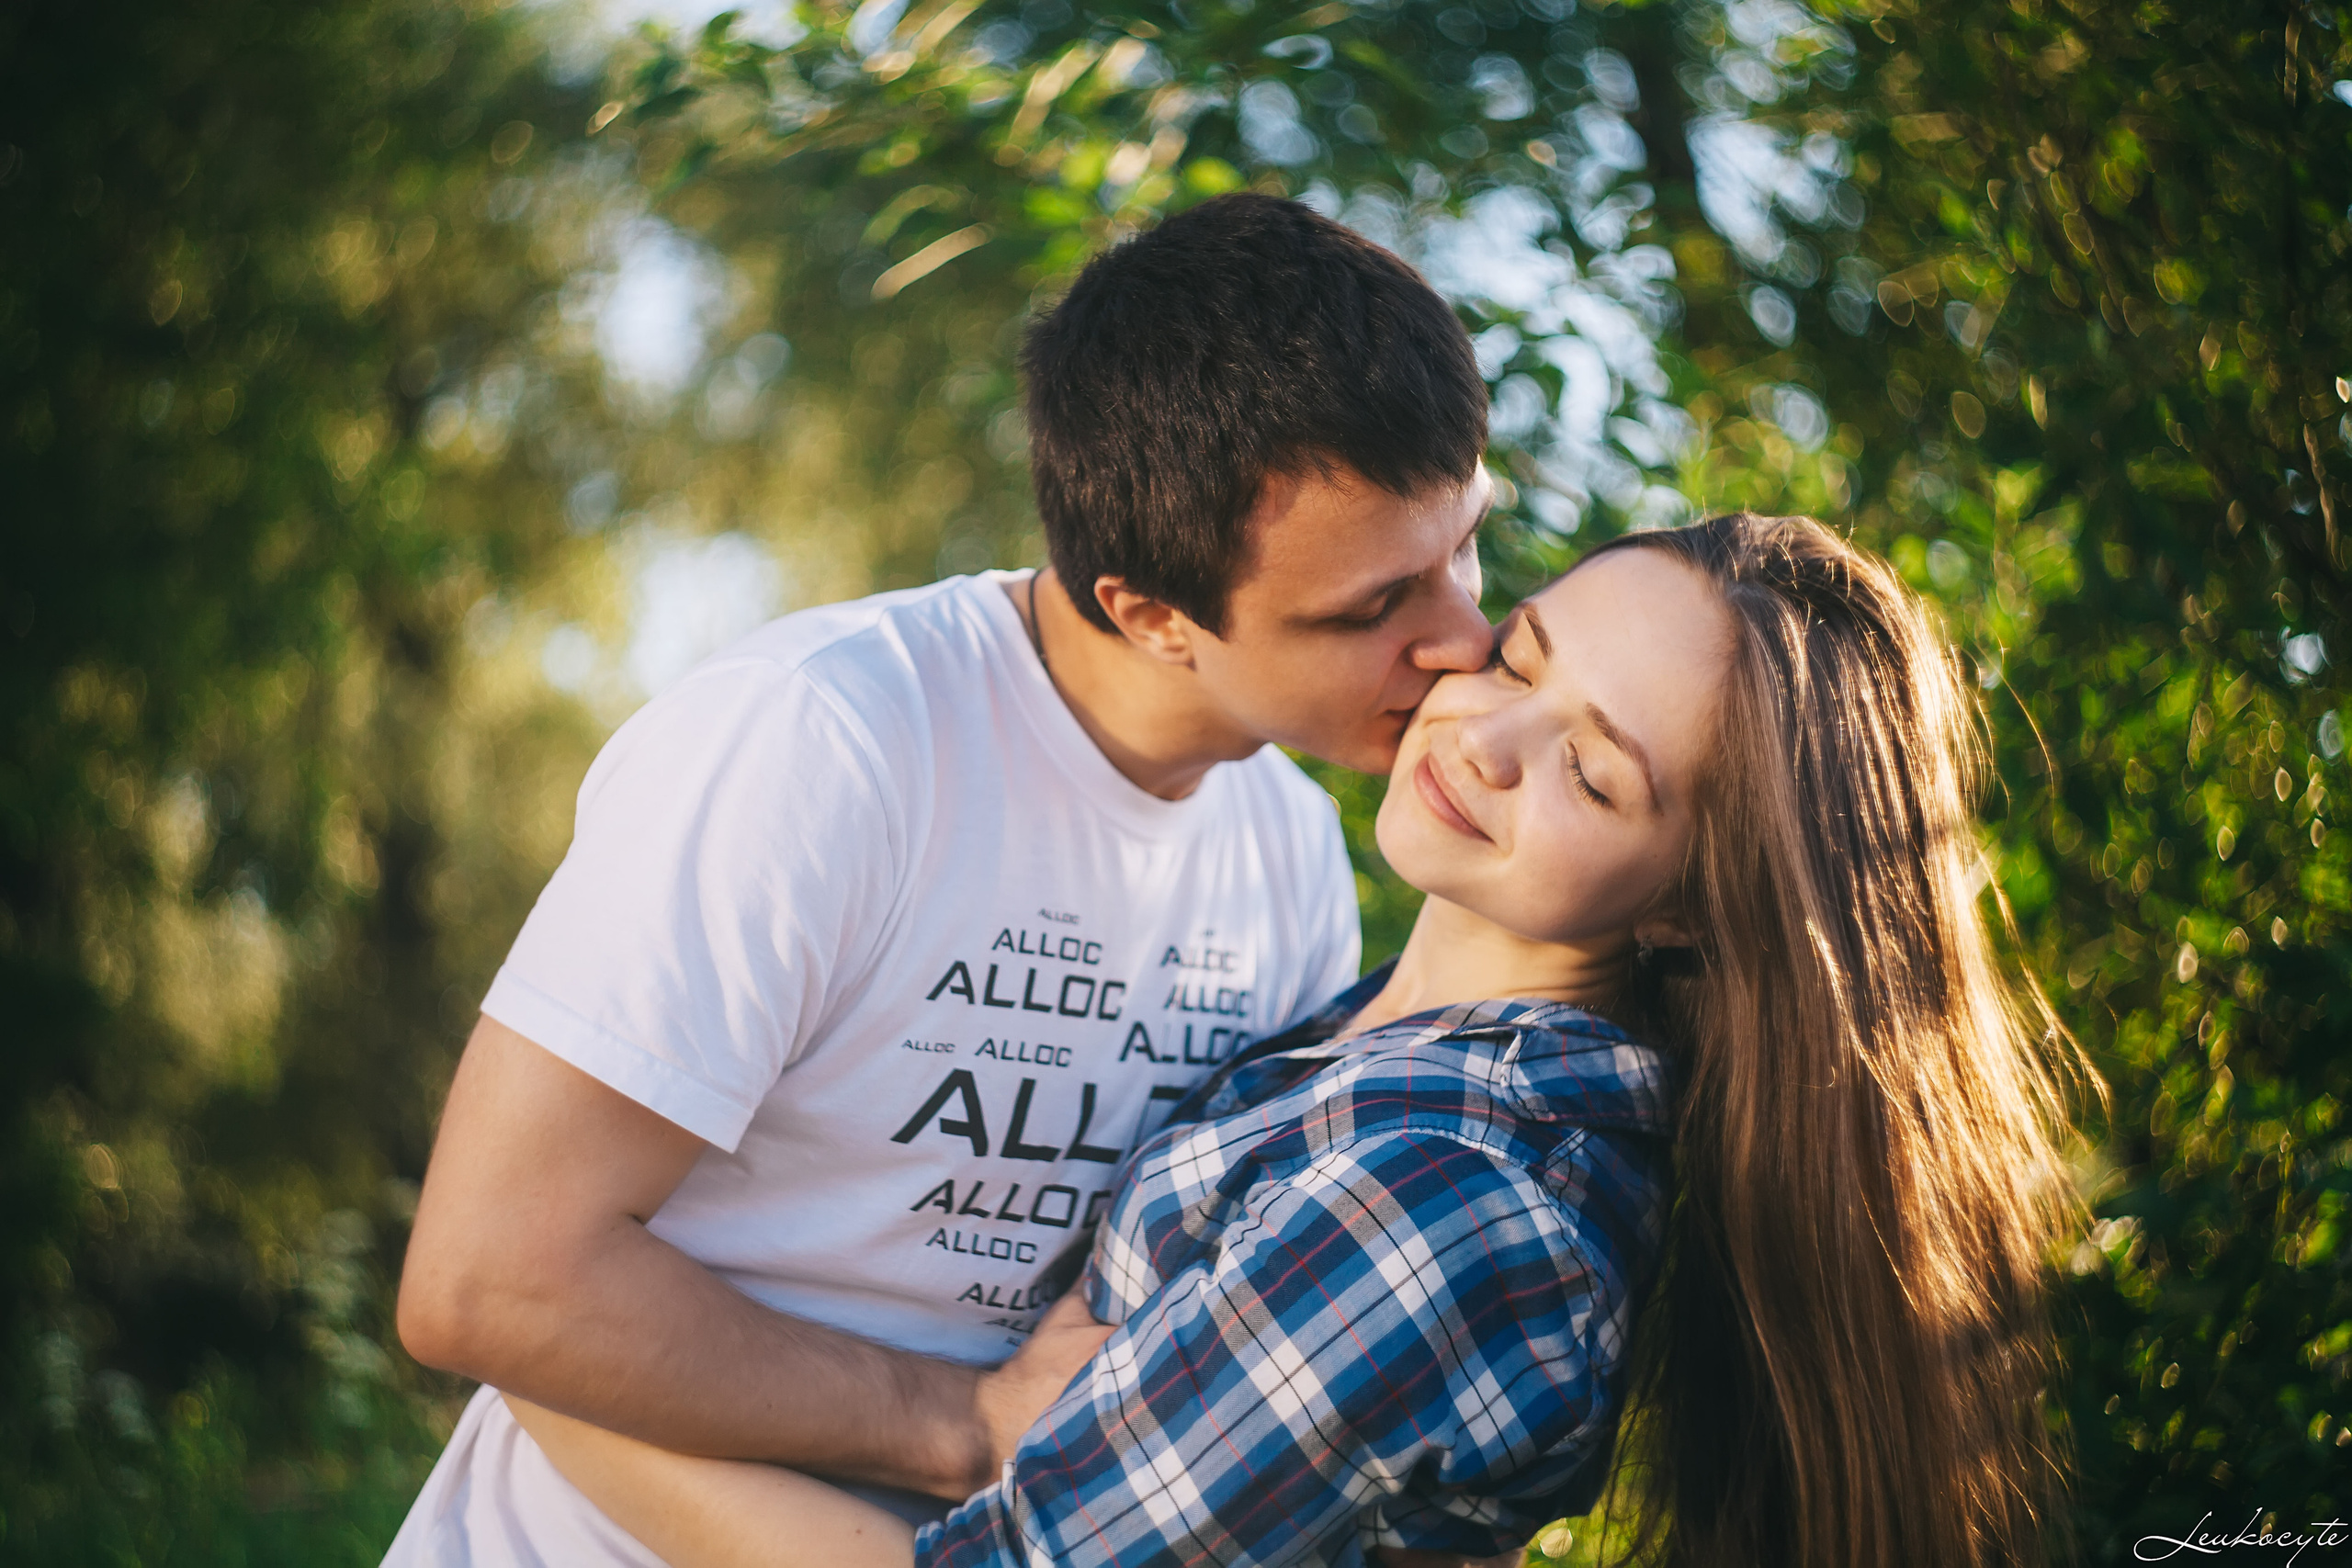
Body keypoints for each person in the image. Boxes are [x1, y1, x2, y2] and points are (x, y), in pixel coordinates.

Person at [501, 513, 2086, 1568]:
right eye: (1523, 657)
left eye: (1597, 778)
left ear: (1689, 909)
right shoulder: (1353, 1029)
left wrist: (557, 1378)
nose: (1485, 740)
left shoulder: (1458, 1199)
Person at [386, 193, 1498, 1565]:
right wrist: (962, 1422)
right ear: (1150, 615)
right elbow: (487, 1279)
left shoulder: (1287, 848)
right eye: (1373, 607)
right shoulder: (820, 745)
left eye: (1461, 551)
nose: (1467, 638)